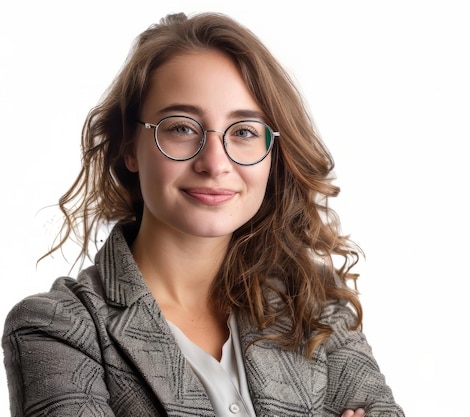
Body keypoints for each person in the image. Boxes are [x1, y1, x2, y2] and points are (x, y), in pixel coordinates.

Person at [2, 11, 404, 417]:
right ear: (129, 145)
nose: (214, 163)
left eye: (244, 131)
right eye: (181, 127)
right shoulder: (56, 329)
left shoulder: (315, 305)